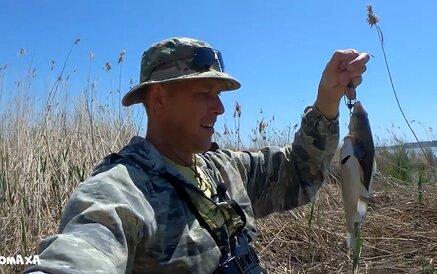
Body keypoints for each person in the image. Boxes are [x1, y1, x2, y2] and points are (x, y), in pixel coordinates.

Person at [24, 37, 369, 274]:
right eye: (205, 93)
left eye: (218, 94)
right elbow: (83, 249)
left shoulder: (223, 169)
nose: (220, 107)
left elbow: (299, 171)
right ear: (158, 100)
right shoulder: (122, 191)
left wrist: (328, 96)